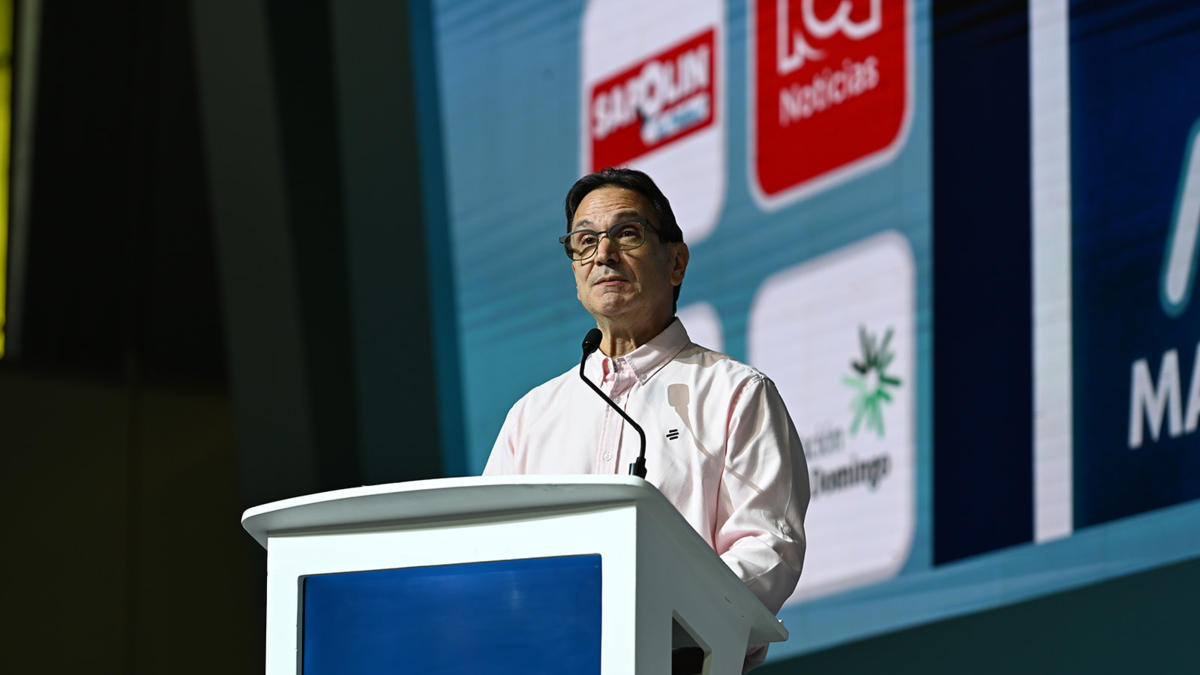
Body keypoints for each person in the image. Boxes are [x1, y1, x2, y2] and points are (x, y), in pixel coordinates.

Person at [483, 167, 809, 673]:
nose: (603, 255)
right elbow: (490, 555)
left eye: (627, 234)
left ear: (676, 262)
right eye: (585, 241)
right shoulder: (531, 417)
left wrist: (653, 616)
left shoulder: (735, 393)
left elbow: (768, 549)